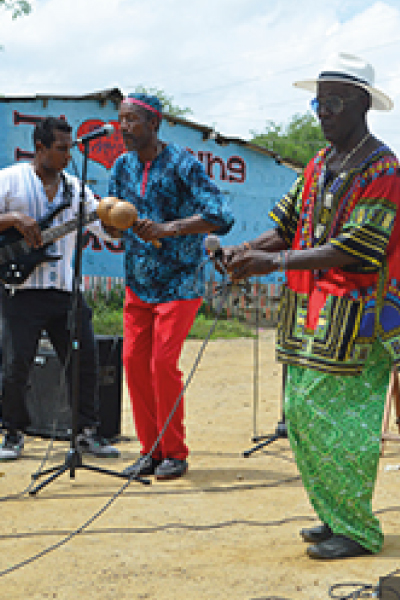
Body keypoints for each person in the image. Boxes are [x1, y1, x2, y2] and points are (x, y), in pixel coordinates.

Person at [221, 53, 400, 559]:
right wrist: (245, 250)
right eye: (317, 101)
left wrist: (272, 264)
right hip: (307, 313)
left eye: (333, 102)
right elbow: (285, 224)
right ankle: (332, 513)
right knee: (301, 415)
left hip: (358, 320)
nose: (322, 111)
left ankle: (358, 530)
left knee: (342, 424)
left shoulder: (383, 169)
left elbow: (358, 246)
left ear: (362, 104)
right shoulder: (320, 164)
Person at [109, 93, 234, 481]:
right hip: (139, 280)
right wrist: (113, 224)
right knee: (133, 363)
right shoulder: (121, 167)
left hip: (180, 279)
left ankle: (175, 452)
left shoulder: (182, 163)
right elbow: (114, 219)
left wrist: (170, 227)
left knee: (162, 363)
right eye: (121, 120)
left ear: (154, 125)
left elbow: (221, 215)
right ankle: (150, 450)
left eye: (132, 120)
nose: (124, 128)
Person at [0, 116, 120, 461]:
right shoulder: (10, 181)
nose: (69, 156)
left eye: (71, 149)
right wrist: (13, 220)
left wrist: (118, 224)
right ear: (40, 148)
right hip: (20, 290)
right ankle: (12, 432)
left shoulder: (76, 189)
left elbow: (103, 229)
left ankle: (86, 432)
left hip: (65, 291)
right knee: (16, 364)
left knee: (84, 362)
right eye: (61, 149)